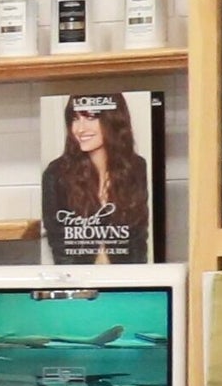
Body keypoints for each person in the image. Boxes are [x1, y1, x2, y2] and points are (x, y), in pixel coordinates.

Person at [41, 95, 150, 267]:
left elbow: (138, 239)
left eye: (90, 117)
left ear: (113, 120)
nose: (80, 129)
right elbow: (59, 244)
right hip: (78, 283)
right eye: (75, 119)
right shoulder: (56, 174)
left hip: (127, 282)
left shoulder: (136, 168)